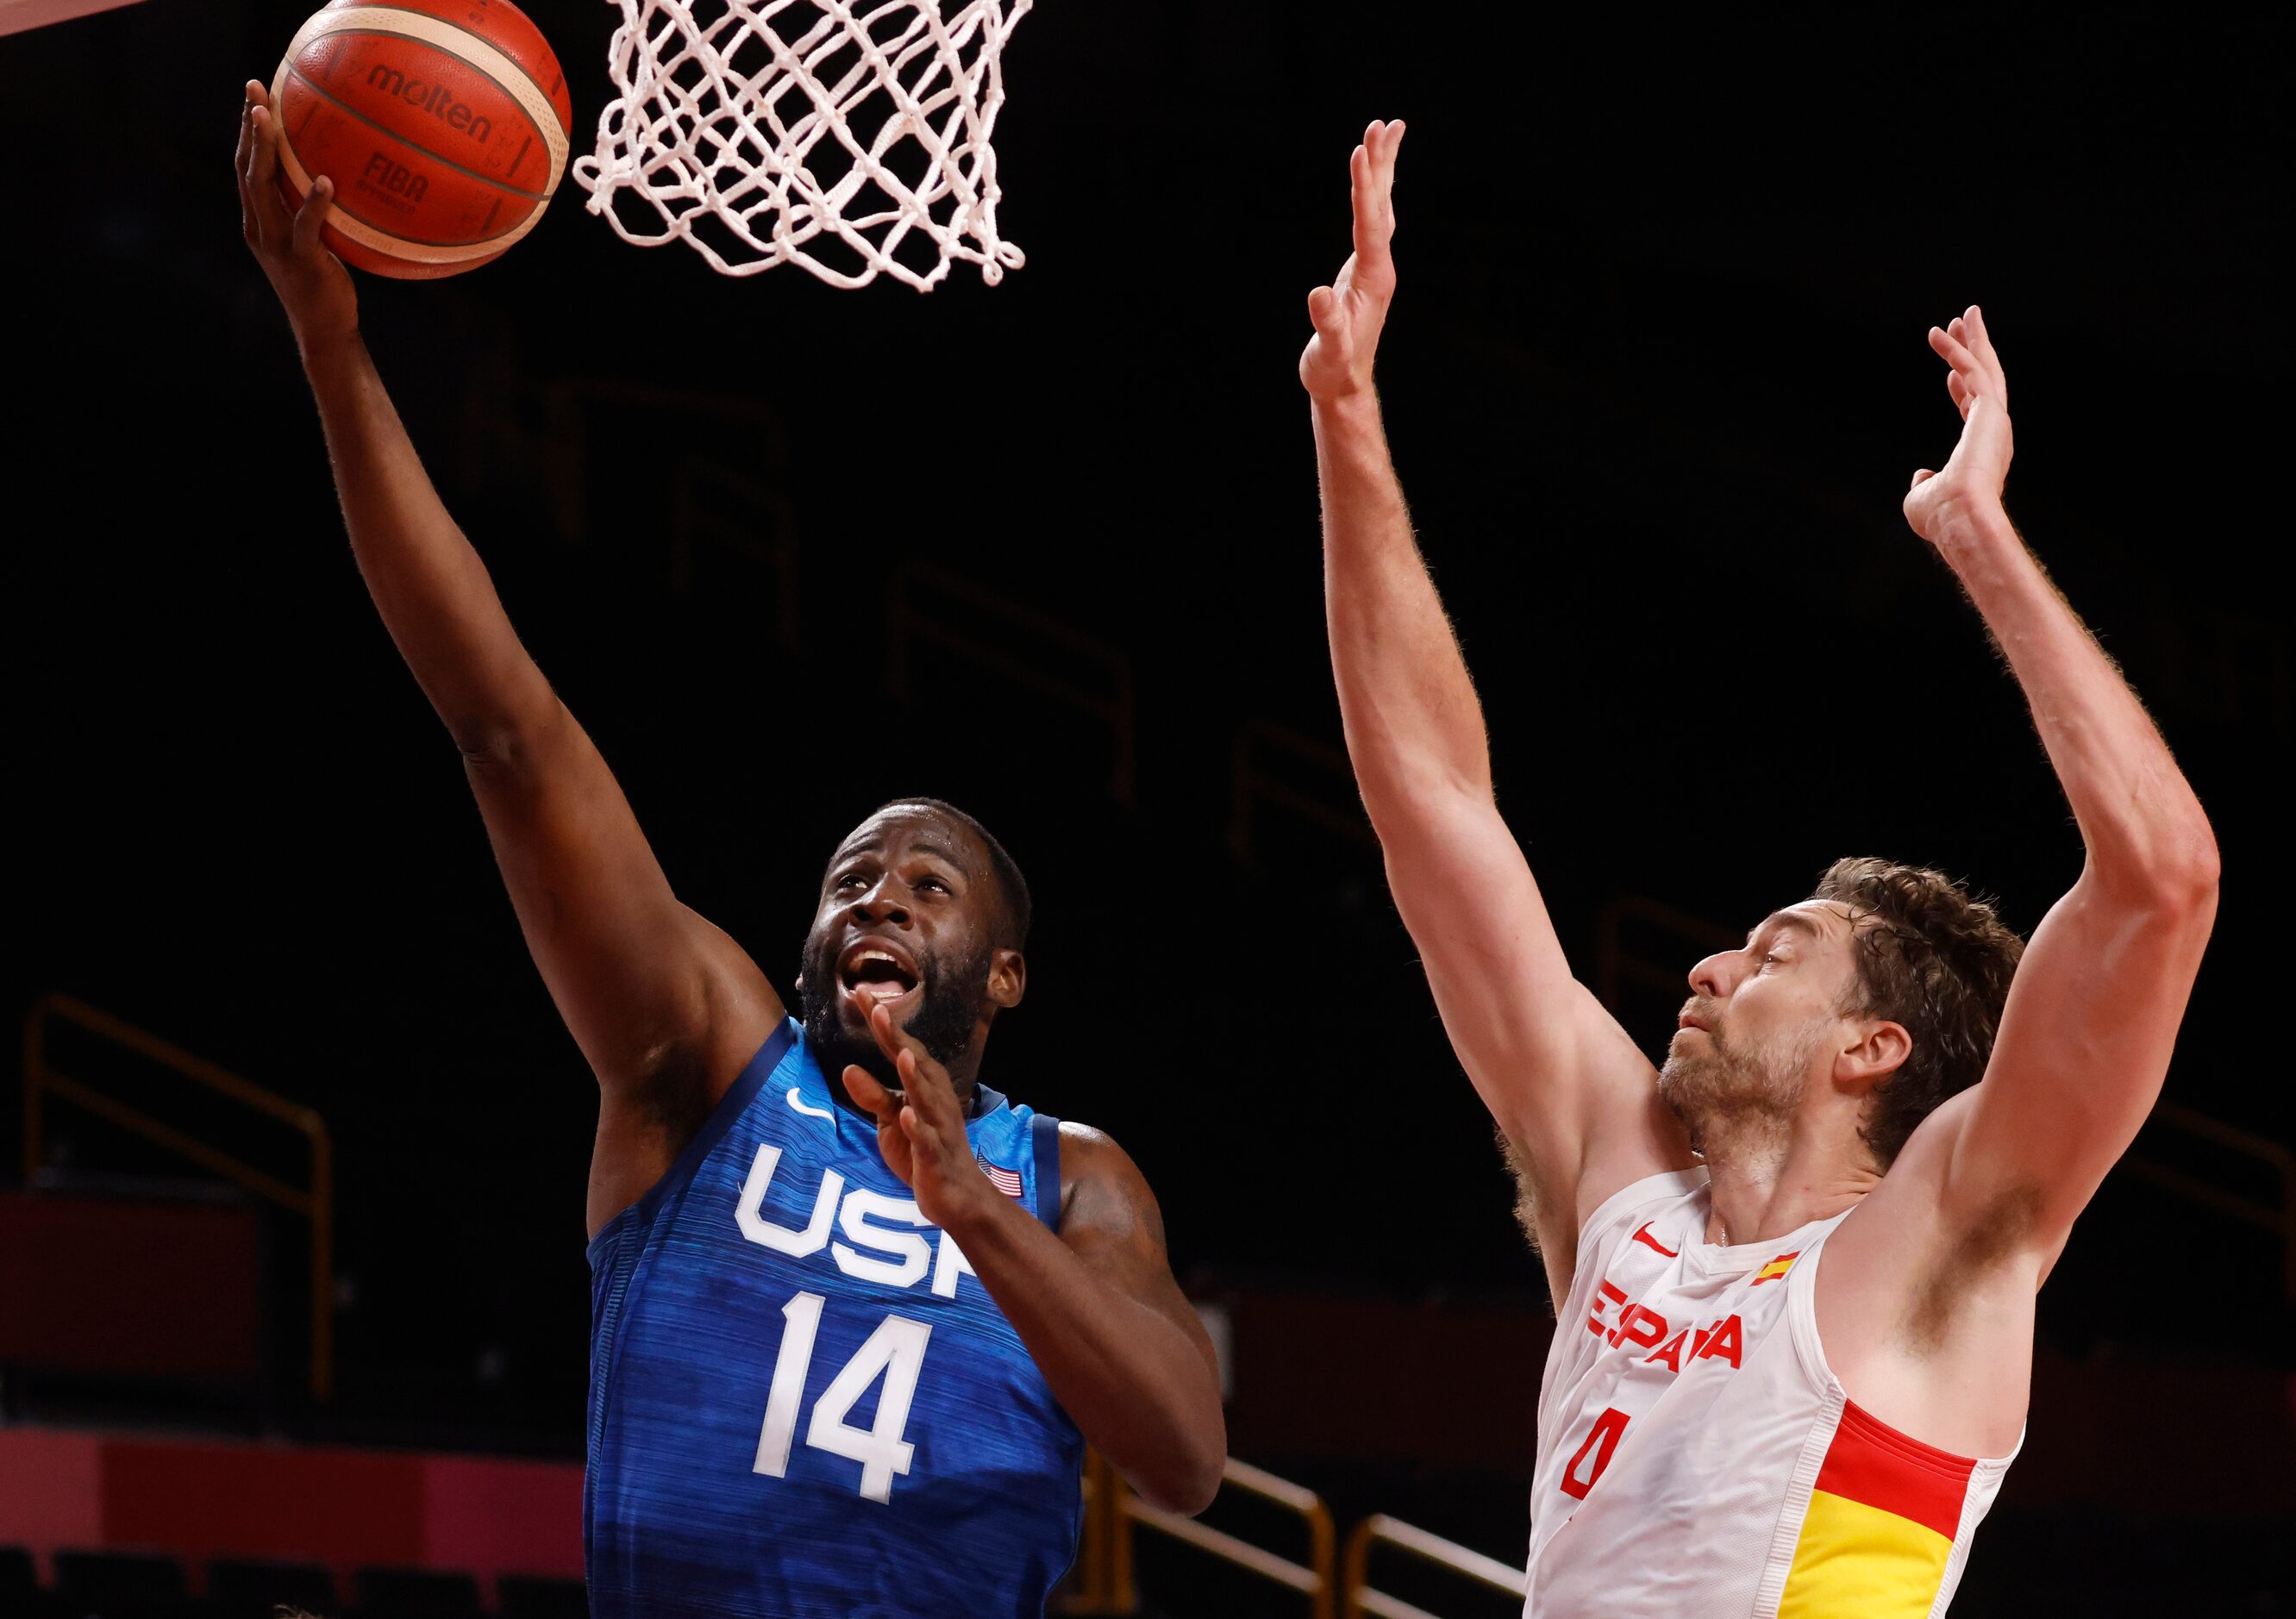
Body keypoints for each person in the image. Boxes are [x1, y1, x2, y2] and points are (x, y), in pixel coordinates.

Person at [234, 82, 1224, 1619]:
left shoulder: (1068, 1176)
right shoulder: (703, 1060)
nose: (876, 896)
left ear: (1006, 971)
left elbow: (1179, 1457)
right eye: (848, 883)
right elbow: (508, 726)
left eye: (926, 884)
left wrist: (971, 1210)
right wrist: (330, 336)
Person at [1303, 121, 2218, 1616]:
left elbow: (2163, 880)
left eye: (1777, 948)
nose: (1711, 966)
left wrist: (1977, 538)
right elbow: (1435, 807)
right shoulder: (1625, 1197)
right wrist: (1348, 417)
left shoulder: (1942, 1232)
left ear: (1876, 1044)